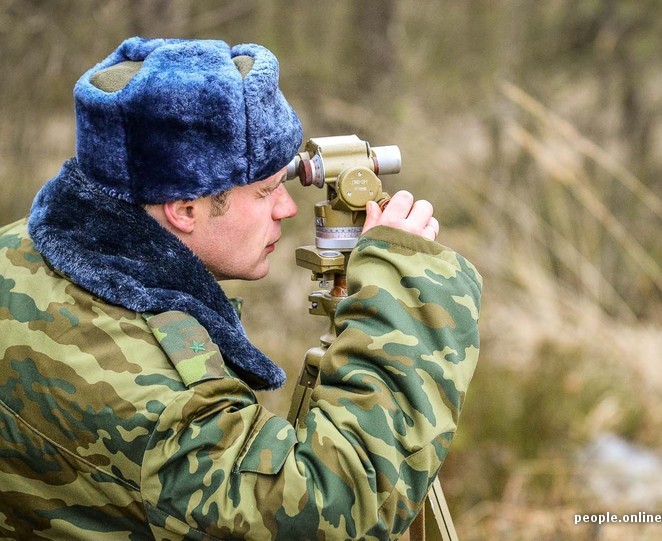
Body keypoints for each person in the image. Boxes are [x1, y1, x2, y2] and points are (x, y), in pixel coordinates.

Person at [0, 37, 482, 540]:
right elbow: (328, 505)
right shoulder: (158, 397)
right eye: (266, 191)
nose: (287, 209)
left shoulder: (19, 250)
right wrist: (400, 293)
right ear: (184, 209)